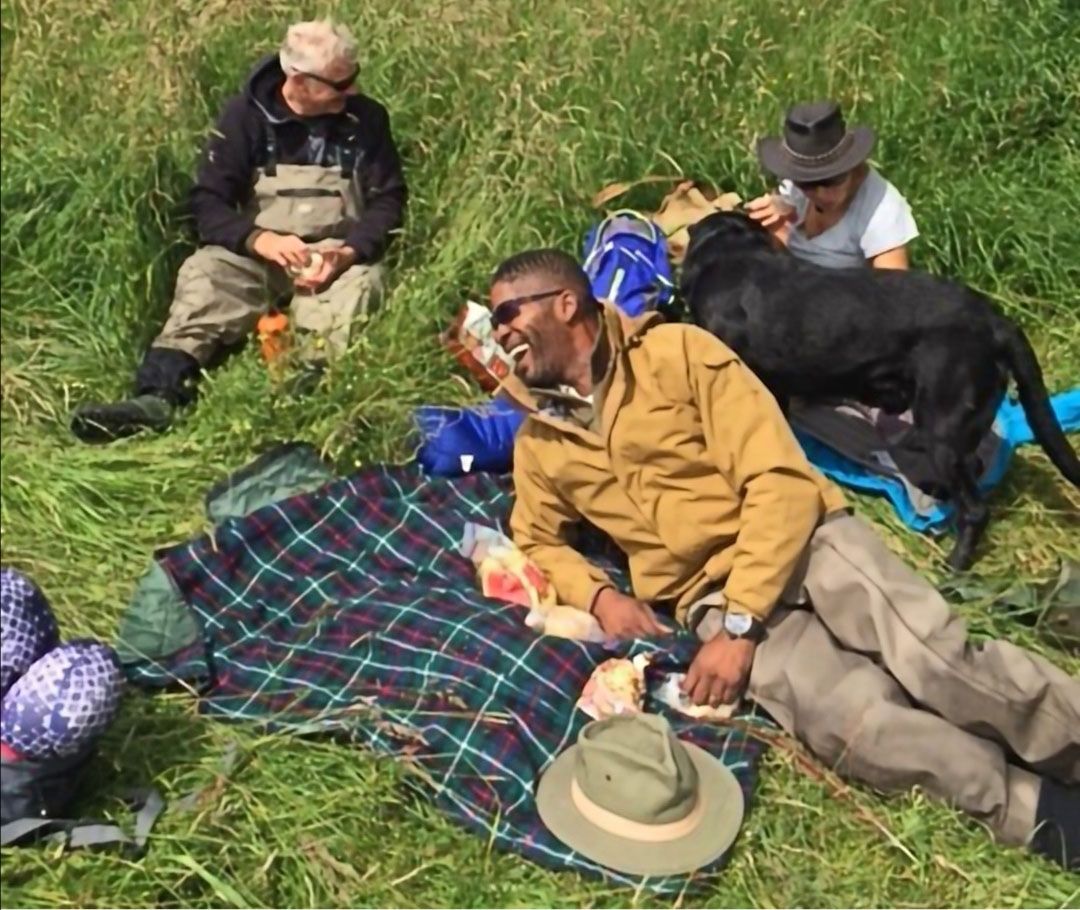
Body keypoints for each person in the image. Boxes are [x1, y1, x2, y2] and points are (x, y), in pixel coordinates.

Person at [489, 248, 1079, 870]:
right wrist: (600, 596)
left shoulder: (679, 354)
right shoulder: (540, 442)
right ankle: (1039, 812)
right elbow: (538, 539)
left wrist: (744, 622)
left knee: (932, 655)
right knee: (854, 725)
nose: (500, 334)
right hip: (706, 598)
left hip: (800, 539)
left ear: (564, 302)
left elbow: (777, 477)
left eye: (507, 313)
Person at [70, 19, 407, 443]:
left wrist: (349, 253)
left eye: (353, 79)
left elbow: (388, 199)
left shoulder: (367, 120)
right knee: (205, 275)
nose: (352, 92)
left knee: (364, 284)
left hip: (331, 258)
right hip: (258, 254)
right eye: (340, 85)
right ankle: (158, 397)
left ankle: (300, 397)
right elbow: (206, 202)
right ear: (299, 82)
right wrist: (258, 240)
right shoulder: (243, 117)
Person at [745, 100, 917, 270]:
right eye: (808, 184)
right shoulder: (794, 187)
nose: (821, 194)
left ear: (851, 165)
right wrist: (772, 227)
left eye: (831, 181)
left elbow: (892, 291)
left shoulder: (881, 212)